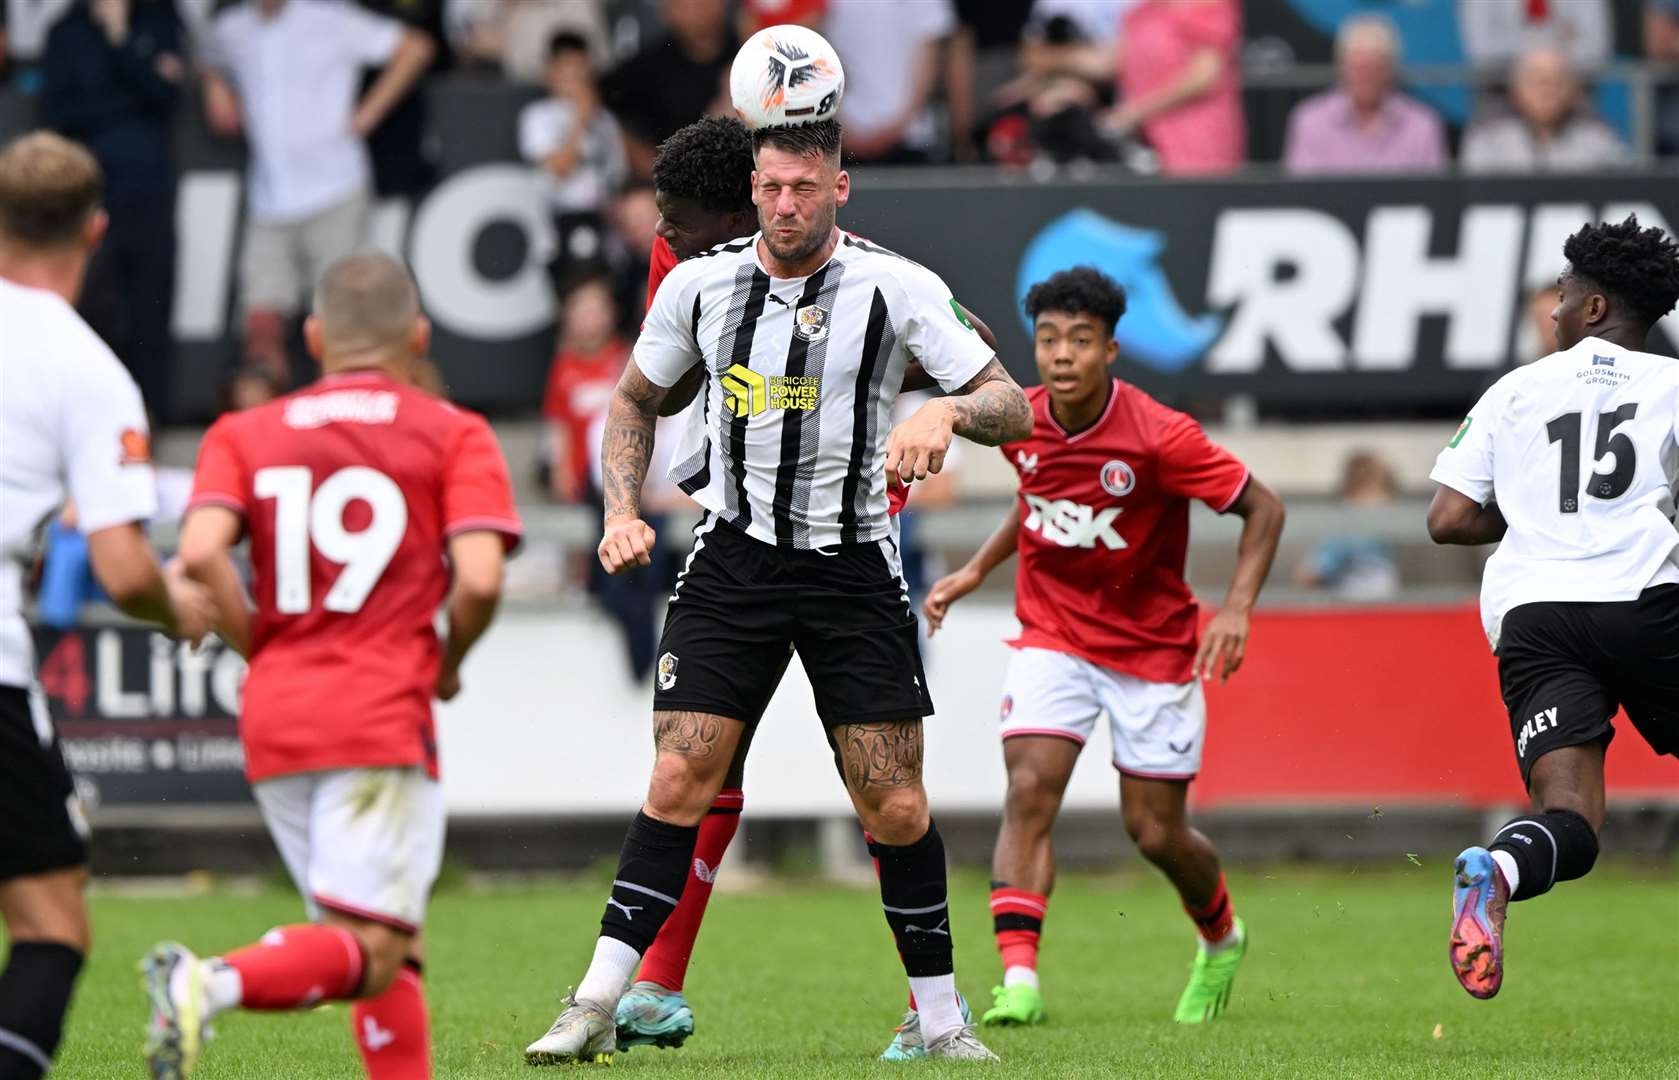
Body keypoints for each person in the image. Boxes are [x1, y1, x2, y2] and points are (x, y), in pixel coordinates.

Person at [522, 117, 1030, 1066]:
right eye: (772, 187)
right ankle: (594, 1001)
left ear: (840, 188)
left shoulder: (898, 285)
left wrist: (948, 410)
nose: (787, 203)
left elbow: (1010, 398)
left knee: (896, 804)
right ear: (752, 191)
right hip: (733, 561)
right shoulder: (696, 284)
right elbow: (635, 397)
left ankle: (940, 1019)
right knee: (680, 777)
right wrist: (621, 508)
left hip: (853, 565)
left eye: (806, 186)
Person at [139, 253, 521, 1079]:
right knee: (371, 942)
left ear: (313, 338)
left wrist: (260, 646)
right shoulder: (452, 431)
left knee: (385, 941)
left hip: (275, 716)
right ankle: (206, 983)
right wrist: (448, 661)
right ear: (418, 336)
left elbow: (201, 554)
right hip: (379, 712)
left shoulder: (242, 432)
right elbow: (482, 579)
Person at [923, 266, 1285, 1028]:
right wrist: (974, 571)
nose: (1060, 355)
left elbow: (1263, 507)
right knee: (1028, 791)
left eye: (1079, 341)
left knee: (1152, 831)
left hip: (1152, 650)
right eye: (1048, 339)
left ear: (1110, 351)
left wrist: (1237, 609)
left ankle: (1220, 935)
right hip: (1052, 633)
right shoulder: (1017, 420)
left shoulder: (1159, 436)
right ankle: (1018, 980)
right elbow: (1038, 499)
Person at [0, 130, 212, 1080]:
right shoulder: (86, 369)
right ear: (96, 228)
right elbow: (125, 569)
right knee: (51, 923)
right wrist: (189, 614)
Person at [1426, 215, 1679, 1001]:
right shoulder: (1674, 387)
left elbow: (1448, 519)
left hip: (1534, 615)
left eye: (1563, 294)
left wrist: (1535, 511)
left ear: (1595, 307)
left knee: (1568, 814)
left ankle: (1497, 869)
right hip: (1642, 600)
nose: (1553, 311)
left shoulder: (1513, 388)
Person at [203, 0, 434, 390]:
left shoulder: (331, 19)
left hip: (335, 191)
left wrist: (368, 114)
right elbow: (204, 54)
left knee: (347, 323)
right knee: (260, 331)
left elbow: (415, 47)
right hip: (270, 199)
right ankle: (274, 441)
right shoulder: (230, 29)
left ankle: (344, 426)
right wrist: (215, 83)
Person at [40, 0, 187, 419]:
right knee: (84, 309)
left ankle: (150, 420)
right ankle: (81, 417)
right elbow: (59, 113)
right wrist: (131, 95)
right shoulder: (65, 30)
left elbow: (166, 97)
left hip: (148, 192)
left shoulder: (158, 19)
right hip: (84, 197)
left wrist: (121, 38)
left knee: (151, 307)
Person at [519, 31, 626, 288]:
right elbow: (559, 168)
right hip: (558, 220)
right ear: (550, 73)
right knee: (575, 294)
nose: (576, 81)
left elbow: (617, 175)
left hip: (601, 220)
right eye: (567, 72)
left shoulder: (605, 120)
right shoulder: (538, 115)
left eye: (581, 72)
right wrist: (580, 119)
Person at [1282, 14, 1446, 175]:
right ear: (1342, 67)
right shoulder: (1309, 121)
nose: (1365, 79)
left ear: (1390, 69)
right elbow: (1300, 192)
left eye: (1374, 69)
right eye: (1358, 68)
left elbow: (1434, 194)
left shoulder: (1422, 125)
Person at [1106, 0, 1244, 175]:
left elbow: (1203, 77)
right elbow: (1109, 62)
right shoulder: (1141, 13)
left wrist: (1134, 113)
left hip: (1196, 142)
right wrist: (1062, 59)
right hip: (1146, 145)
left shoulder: (1209, 6)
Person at [600, 0, 734, 178]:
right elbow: (596, 96)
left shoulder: (748, 51)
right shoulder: (649, 63)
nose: (698, 10)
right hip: (671, 184)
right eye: (685, 5)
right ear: (667, 12)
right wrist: (643, 159)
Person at [822, 0, 956, 164]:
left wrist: (897, 128)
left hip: (910, 137)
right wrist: (838, 125)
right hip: (839, 138)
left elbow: (930, 61)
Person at [1460, 46, 1627, 173]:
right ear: (1515, 91)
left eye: (1557, 80)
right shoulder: (1488, 143)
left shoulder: (1599, 142)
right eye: (1536, 80)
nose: (1547, 90)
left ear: (1574, 92)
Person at [1294, 450, 1401, 601]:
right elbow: (1316, 570)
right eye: (1382, 491)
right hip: (1351, 606)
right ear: (1356, 491)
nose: (1388, 502)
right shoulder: (1350, 525)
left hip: (1377, 604)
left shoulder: (1379, 528)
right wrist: (1314, 571)